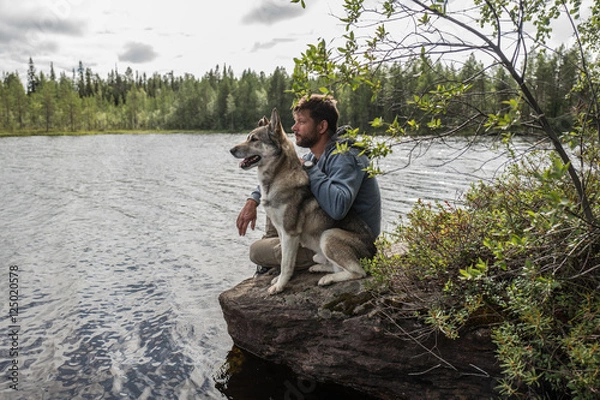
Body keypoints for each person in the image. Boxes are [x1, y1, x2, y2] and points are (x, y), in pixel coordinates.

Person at [236, 94, 382, 275]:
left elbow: (338, 208)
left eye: (301, 122)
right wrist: (253, 200)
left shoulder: (347, 157)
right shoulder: (315, 155)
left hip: (349, 243)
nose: (294, 128)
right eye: (295, 121)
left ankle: (272, 265)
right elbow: (282, 180)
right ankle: (273, 253)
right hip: (322, 231)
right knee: (281, 193)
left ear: (322, 126)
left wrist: (310, 169)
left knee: (257, 251)